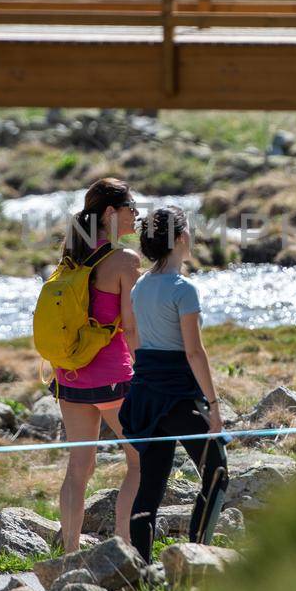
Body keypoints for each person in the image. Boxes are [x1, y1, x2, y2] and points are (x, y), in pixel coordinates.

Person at [120, 204, 229, 562]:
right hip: (180, 398)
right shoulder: (184, 289)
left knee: (150, 489)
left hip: (146, 396)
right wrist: (214, 408)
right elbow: (195, 353)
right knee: (216, 475)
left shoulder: (140, 286)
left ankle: (141, 571)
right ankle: (196, 558)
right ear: (181, 238)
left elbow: (134, 336)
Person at [51, 177, 141, 554]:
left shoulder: (71, 257)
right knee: (139, 462)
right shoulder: (125, 261)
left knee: (79, 467)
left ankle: (69, 553)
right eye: (130, 208)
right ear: (109, 213)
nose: (136, 214)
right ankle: (125, 548)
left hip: (70, 375)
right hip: (113, 377)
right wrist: (147, 371)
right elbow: (132, 327)